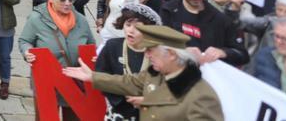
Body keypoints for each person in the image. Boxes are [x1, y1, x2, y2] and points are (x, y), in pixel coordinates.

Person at [62, 24, 225, 121]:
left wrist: (150, 102)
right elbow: (128, 82)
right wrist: (92, 76)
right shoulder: (155, 76)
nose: (147, 55)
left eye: (151, 50)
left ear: (172, 54)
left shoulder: (201, 97)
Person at [19, 0, 96, 121]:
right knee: (46, 117)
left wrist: (94, 58)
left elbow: (91, 45)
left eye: (70, 0)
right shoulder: (36, 19)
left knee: (74, 118)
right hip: (46, 79)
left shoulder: (81, 20)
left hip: (74, 81)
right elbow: (24, 41)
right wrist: (27, 52)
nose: (67, 3)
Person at [160, 0, 248, 66]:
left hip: (207, 73)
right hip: (174, 68)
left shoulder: (219, 18)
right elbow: (160, 42)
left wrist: (223, 52)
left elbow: (242, 55)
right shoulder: (168, 10)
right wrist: (181, 51)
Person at [94, 3, 162, 121]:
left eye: (137, 27)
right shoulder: (112, 46)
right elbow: (101, 76)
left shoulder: (157, 51)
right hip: (119, 112)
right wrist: (124, 100)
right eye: (128, 24)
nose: (131, 30)